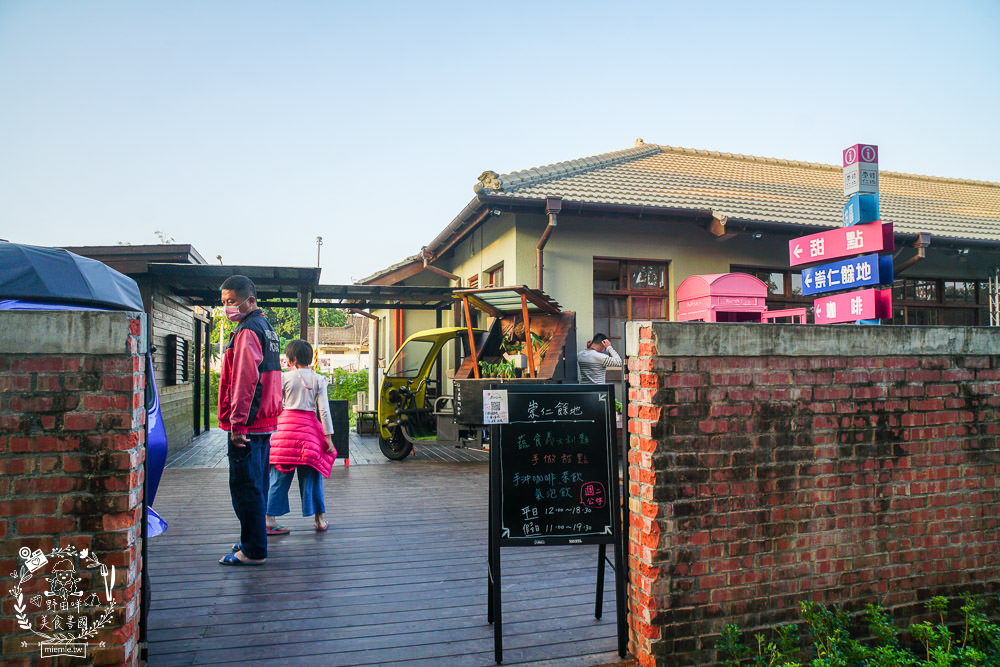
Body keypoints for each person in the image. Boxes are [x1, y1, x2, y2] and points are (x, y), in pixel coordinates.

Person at [217, 275, 282, 566]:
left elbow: (245, 380)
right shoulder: (267, 329)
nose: (227, 308)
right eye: (224, 303)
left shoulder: (246, 331)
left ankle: (253, 549)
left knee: (245, 488)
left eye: (231, 302)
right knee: (258, 485)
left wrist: (238, 424)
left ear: (250, 300)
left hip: (249, 423)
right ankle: (252, 538)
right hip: (266, 420)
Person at [265, 339, 337, 534]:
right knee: (313, 476)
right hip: (309, 433)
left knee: (278, 476)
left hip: (285, 431)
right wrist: (328, 437)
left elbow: (274, 406)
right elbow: (324, 411)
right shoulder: (319, 379)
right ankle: (319, 520)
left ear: (293, 359)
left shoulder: (284, 378)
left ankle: (269, 520)